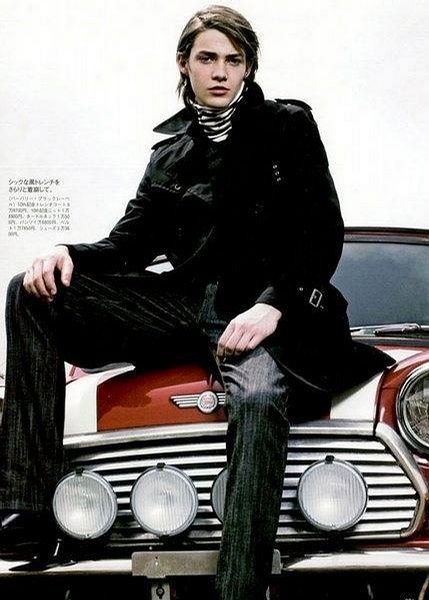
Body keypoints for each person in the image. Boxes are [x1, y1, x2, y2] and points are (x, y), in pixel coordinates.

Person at [0, 5, 394, 599]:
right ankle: (28, 511)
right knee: (30, 291)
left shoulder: (287, 125)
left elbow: (321, 231)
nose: (221, 72)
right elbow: (127, 244)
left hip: (261, 309)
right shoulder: (168, 155)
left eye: (234, 60)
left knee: (258, 395)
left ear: (249, 67)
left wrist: (274, 306)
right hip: (180, 307)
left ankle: (239, 589)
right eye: (208, 58)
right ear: (184, 64)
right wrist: (65, 252)